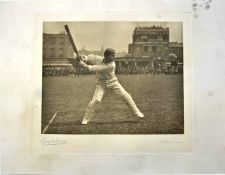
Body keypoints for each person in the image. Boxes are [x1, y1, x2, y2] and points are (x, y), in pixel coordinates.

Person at [76, 48, 144, 125]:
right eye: (113, 56)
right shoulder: (99, 59)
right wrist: (83, 58)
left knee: (126, 96)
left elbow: (91, 68)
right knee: (95, 100)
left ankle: (137, 112)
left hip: (113, 83)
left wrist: (82, 64)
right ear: (107, 56)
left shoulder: (111, 65)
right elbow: (91, 57)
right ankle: (86, 119)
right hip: (101, 84)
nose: (114, 57)